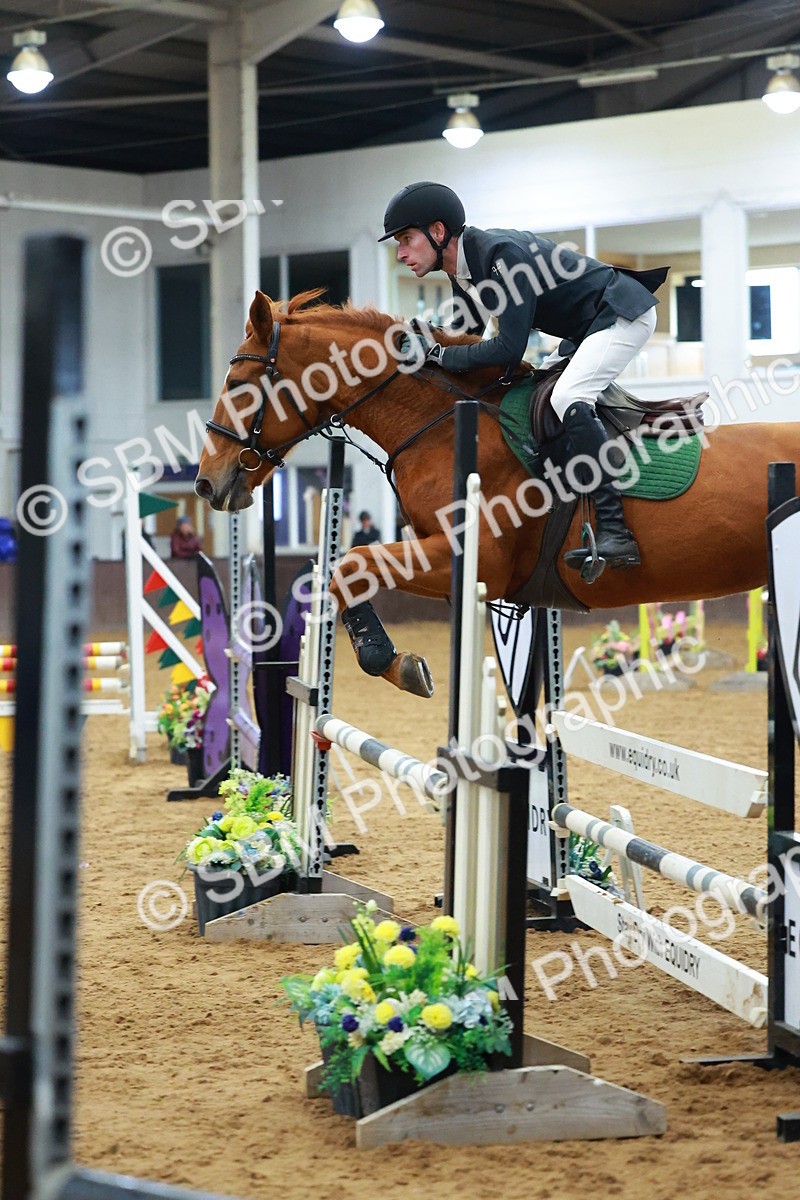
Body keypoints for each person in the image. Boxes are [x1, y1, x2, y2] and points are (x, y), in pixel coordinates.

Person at [379, 181, 669, 571]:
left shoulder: (502, 255)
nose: (400, 254)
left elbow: (507, 349)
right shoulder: (463, 269)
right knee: (535, 389)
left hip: (620, 313)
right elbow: (468, 340)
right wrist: (425, 348)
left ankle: (616, 531)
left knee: (567, 397)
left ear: (437, 231)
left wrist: (436, 353)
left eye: (406, 239)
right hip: (586, 329)